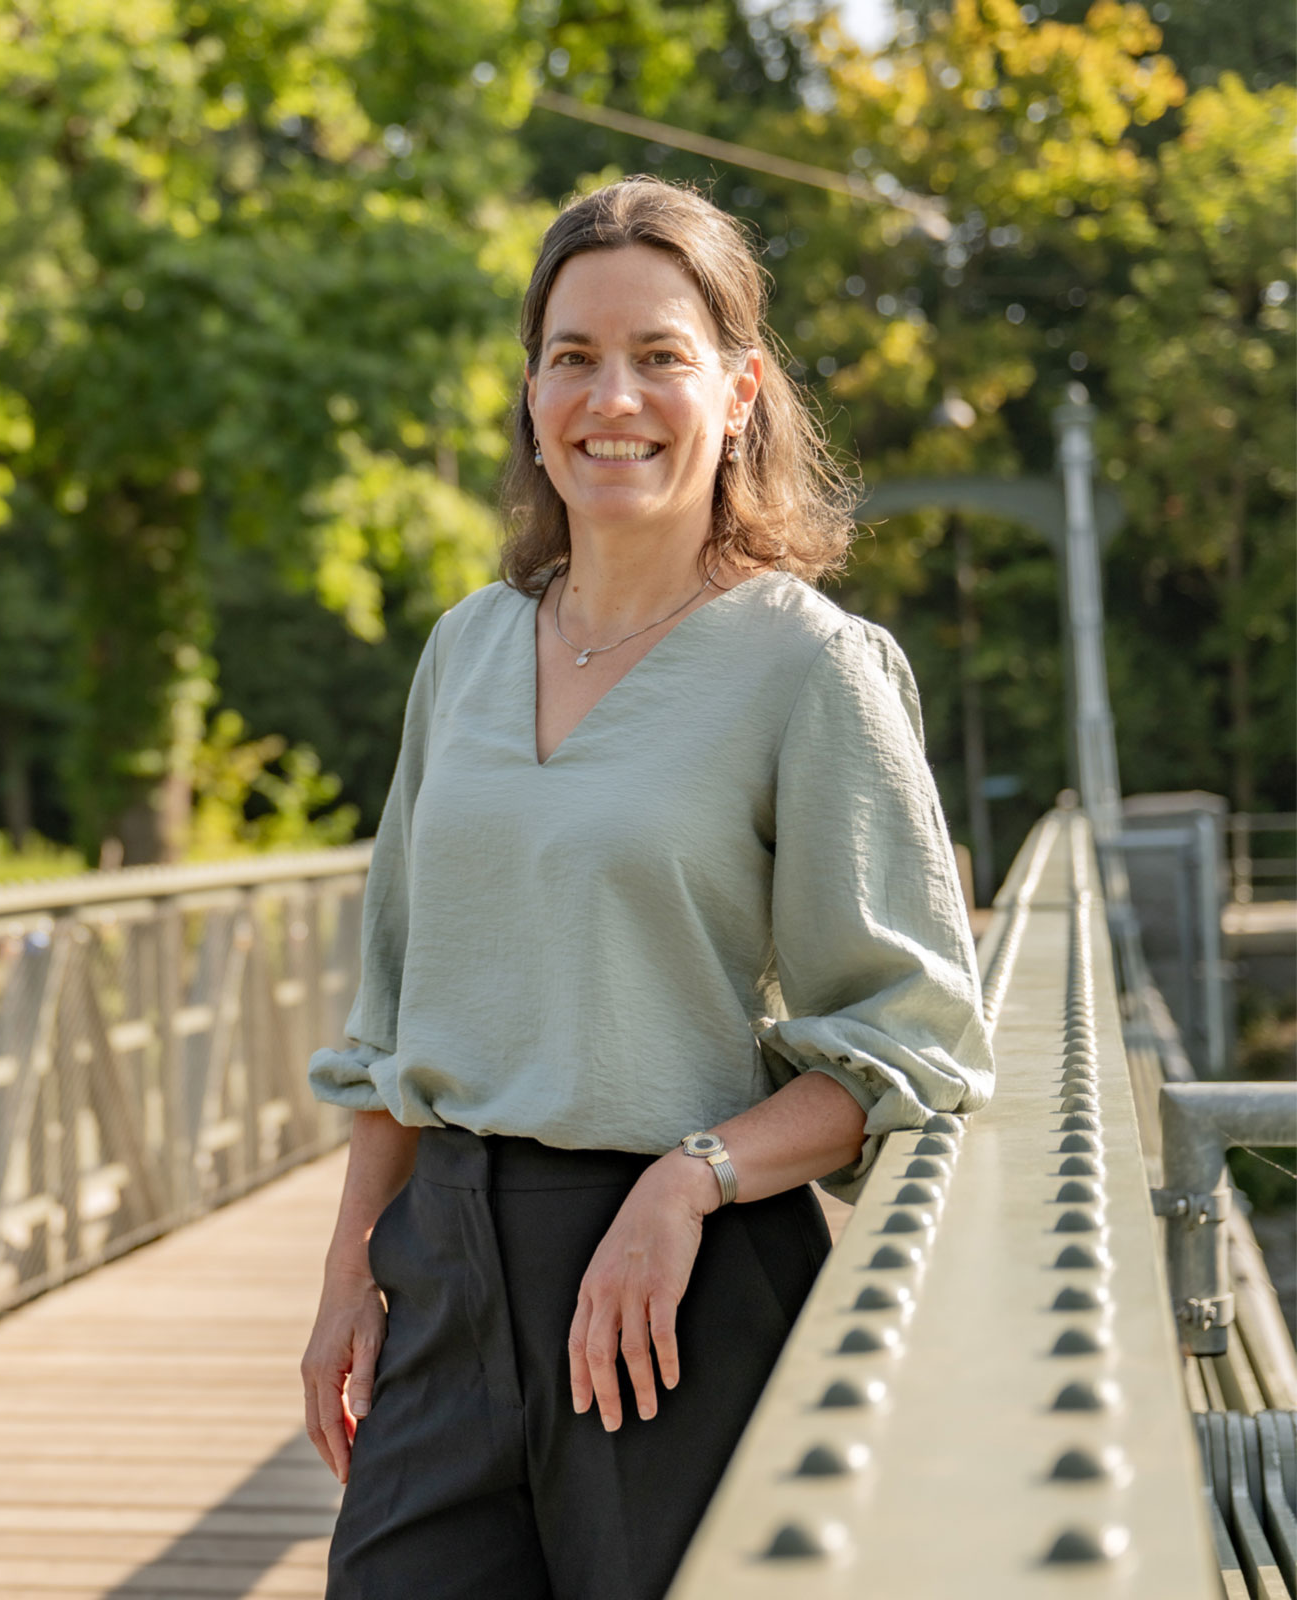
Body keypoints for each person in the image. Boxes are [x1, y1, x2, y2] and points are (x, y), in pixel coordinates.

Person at [298, 176, 994, 1600]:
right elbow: (393, 1004)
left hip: (668, 1297)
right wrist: (344, 1277)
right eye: (574, 356)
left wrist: (697, 1177)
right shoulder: (467, 649)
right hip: (445, 1277)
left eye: (660, 355)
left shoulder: (810, 667)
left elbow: (914, 1038)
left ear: (739, 390)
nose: (613, 395)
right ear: (533, 394)